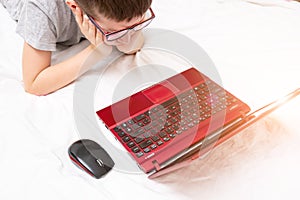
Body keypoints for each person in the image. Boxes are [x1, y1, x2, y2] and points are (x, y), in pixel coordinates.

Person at [0, 0, 154, 95]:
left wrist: (127, 36)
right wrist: (96, 52)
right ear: (74, 6)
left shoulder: (131, 6)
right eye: (114, 31)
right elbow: (33, 83)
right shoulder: (42, 8)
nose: (127, 35)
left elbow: (132, 46)